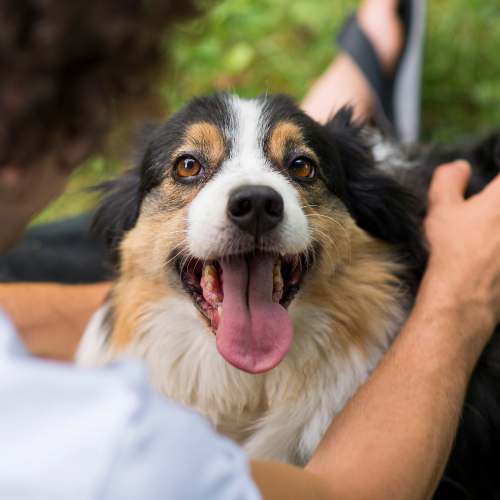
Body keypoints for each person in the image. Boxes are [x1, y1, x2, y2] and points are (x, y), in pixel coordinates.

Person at [1, 0, 500, 498]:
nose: (257, 197)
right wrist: (460, 294)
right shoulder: (127, 450)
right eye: (190, 167)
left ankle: (332, 118)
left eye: (298, 168)